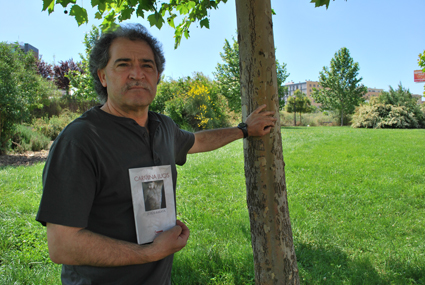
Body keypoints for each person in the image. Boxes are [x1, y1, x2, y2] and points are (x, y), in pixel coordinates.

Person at [36, 23, 277, 284]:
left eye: (147, 66)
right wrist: (151, 252)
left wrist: (243, 130)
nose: (137, 74)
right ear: (103, 76)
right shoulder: (80, 140)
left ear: (158, 76)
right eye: (123, 64)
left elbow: (197, 141)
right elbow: (62, 244)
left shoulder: (162, 127)